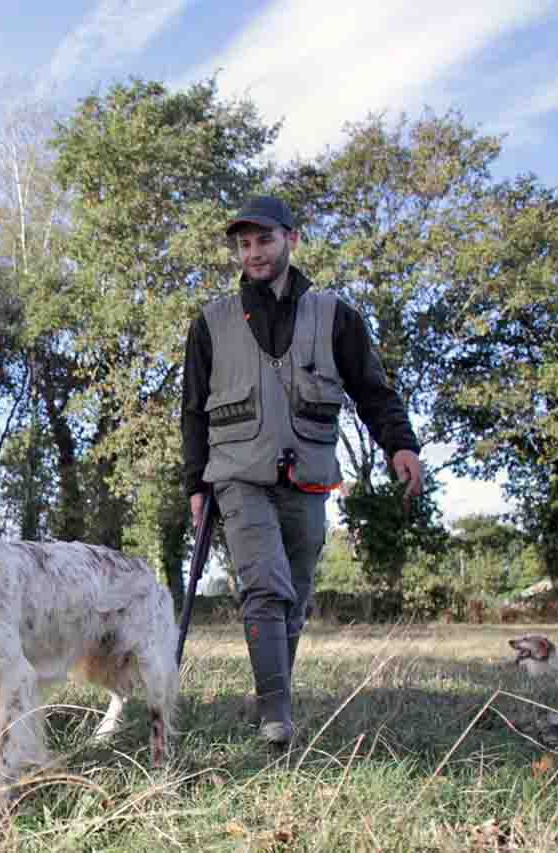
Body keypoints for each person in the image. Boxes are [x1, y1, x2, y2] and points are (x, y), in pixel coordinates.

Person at [180, 196, 423, 746]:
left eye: (263, 240)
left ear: (291, 239)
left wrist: (400, 446)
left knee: (294, 593)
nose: (253, 253)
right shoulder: (211, 322)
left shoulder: (336, 315)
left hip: (309, 475)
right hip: (237, 476)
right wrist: (195, 485)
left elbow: (372, 390)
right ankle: (276, 718)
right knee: (265, 585)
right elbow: (193, 410)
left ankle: (272, 701)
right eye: (243, 244)